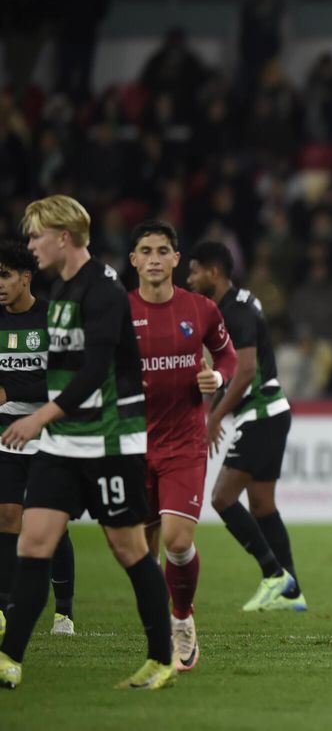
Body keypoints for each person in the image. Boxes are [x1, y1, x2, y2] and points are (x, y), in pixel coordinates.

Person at [0, 195, 174, 690]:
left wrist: (39, 419)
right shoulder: (61, 288)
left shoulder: (103, 290)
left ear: (63, 237)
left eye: (36, 236)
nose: (30, 245)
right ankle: (9, 658)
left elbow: (96, 371)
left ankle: (162, 658)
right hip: (63, 441)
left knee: (129, 549)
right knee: (33, 542)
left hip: (109, 442)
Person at [128, 221, 237, 671]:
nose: (154, 258)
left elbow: (227, 356)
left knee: (177, 540)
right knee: (144, 545)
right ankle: (160, 626)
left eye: (163, 250)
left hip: (184, 441)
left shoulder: (202, 309)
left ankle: (181, 617)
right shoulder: (118, 311)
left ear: (177, 259)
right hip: (132, 443)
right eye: (145, 250)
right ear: (133, 259)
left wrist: (219, 378)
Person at [186, 241, 306, 612]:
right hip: (269, 411)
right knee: (262, 504)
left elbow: (246, 370)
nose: (189, 279)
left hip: (261, 413)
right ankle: (290, 592)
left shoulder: (233, 312)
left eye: (193, 271)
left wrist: (215, 414)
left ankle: (274, 575)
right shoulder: (238, 304)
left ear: (214, 273)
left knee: (222, 498)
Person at [0, 240, 77, 640]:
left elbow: (59, 380)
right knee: (7, 515)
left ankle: (64, 612)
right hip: (6, 435)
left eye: (5, 276)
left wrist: (11, 390)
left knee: (54, 527)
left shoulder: (51, 318)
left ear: (26, 278)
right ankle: (3, 608)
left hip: (50, 435)